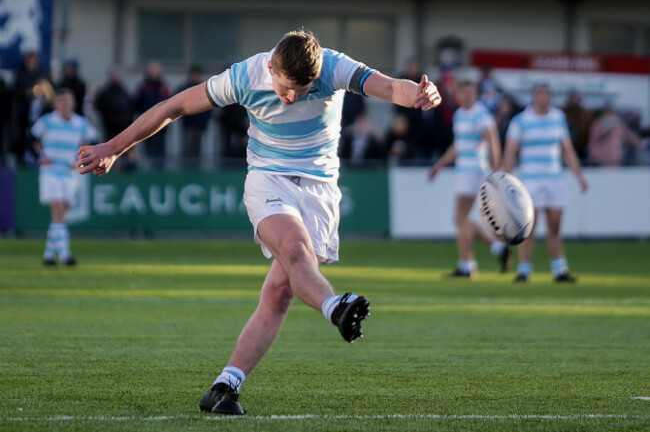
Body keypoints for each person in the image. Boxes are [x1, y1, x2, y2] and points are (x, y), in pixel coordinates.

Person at [76, 30, 441, 415]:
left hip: (320, 191)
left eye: (302, 91)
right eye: (285, 89)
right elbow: (174, 106)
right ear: (271, 68)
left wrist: (419, 95)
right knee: (297, 253)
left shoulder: (332, 67)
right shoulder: (245, 75)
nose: (292, 98)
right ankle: (336, 306)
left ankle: (224, 387)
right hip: (269, 179)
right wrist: (113, 147)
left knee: (279, 294)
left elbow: (388, 87)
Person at [503, 83, 588, 283]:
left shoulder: (558, 118)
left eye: (547, 95)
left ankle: (559, 270)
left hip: (554, 179)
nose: (544, 99)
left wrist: (579, 175)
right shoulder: (521, 121)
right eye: (540, 95)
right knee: (529, 227)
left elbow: (566, 149)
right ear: (534, 97)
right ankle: (524, 270)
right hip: (531, 180)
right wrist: (505, 179)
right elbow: (510, 151)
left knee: (555, 226)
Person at [427, 80, 509, 277]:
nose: (467, 97)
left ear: (476, 94)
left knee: (459, 218)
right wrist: (439, 165)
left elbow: (492, 140)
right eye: (463, 93)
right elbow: (458, 146)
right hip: (464, 171)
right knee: (462, 219)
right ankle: (498, 248)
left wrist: (495, 169)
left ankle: (467, 266)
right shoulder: (459, 115)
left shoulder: (480, 114)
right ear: (457, 95)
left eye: (470, 93)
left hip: (475, 171)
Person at [32, 88, 98, 265]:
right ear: (56, 104)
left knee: (62, 214)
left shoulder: (80, 123)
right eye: (61, 101)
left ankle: (48, 254)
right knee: (58, 209)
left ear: (73, 103)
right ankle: (65, 254)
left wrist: (80, 158)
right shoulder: (47, 121)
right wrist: (40, 155)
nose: (65, 104)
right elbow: (31, 138)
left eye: (67, 101)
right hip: (51, 171)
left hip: (69, 172)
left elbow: (93, 140)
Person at [94, 67, 137, 171]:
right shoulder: (105, 92)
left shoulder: (124, 92)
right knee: (110, 153)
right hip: (110, 130)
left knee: (127, 153)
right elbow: (98, 106)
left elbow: (131, 109)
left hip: (125, 130)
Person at [133, 62, 170, 166]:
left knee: (160, 151)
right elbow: (136, 104)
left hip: (162, 125)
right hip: (146, 125)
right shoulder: (143, 88)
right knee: (148, 151)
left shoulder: (164, 88)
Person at [176, 64, 212, 168]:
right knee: (188, 150)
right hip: (188, 125)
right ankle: (186, 170)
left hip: (199, 126)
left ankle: (196, 169)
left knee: (197, 151)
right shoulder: (184, 89)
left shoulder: (204, 89)